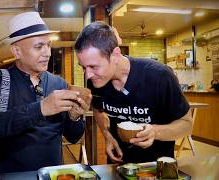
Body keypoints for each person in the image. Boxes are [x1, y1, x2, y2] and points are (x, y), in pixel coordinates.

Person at [0, 12, 91, 174]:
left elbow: (73, 137)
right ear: (17, 51)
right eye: (39, 46)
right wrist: (40, 109)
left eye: (48, 45)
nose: (47, 52)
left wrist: (74, 117)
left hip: (52, 175)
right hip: (8, 176)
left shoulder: (59, 84)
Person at [74, 21, 192, 163]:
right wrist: (107, 135)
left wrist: (155, 132)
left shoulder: (159, 76)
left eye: (93, 66)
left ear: (115, 55)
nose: (88, 75)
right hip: (118, 165)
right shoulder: (95, 80)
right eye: (83, 67)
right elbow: (98, 109)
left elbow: (186, 125)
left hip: (155, 167)